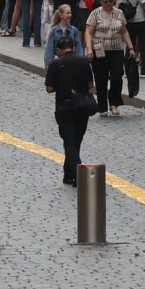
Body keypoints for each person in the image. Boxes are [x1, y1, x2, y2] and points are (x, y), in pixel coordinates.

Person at [46, 32, 96, 186]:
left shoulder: (56, 64)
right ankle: (68, 174)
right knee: (76, 141)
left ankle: (77, 173)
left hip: (64, 106)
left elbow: (49, 88)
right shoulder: (83, 62)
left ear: (59, 50)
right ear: (73, 47)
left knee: (69, 141)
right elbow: (90, 85)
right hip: (82, 106)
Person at [83, 0, 129, 116]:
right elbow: (88, 32)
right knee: (101, 77)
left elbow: (124, 31)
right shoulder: (95, 13)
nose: (108, 4)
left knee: (116, 75)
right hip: (100, 49)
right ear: (101, 1)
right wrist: (88, 48)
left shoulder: (119, 13)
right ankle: (102, 106)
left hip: (116, 49)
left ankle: (114, 103)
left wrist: (130, 47)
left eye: (111, 1)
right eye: (106, 2)